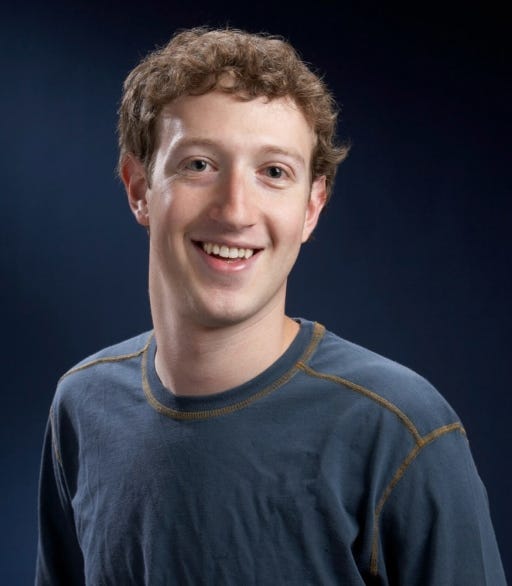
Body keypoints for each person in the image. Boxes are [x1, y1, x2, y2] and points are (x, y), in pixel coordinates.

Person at [35, 27, 506, 585]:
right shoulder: (82, 408)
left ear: (311, 207)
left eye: (274, 172)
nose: (236, 210)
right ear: (139, 187)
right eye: (199, 165)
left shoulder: (399, 431)